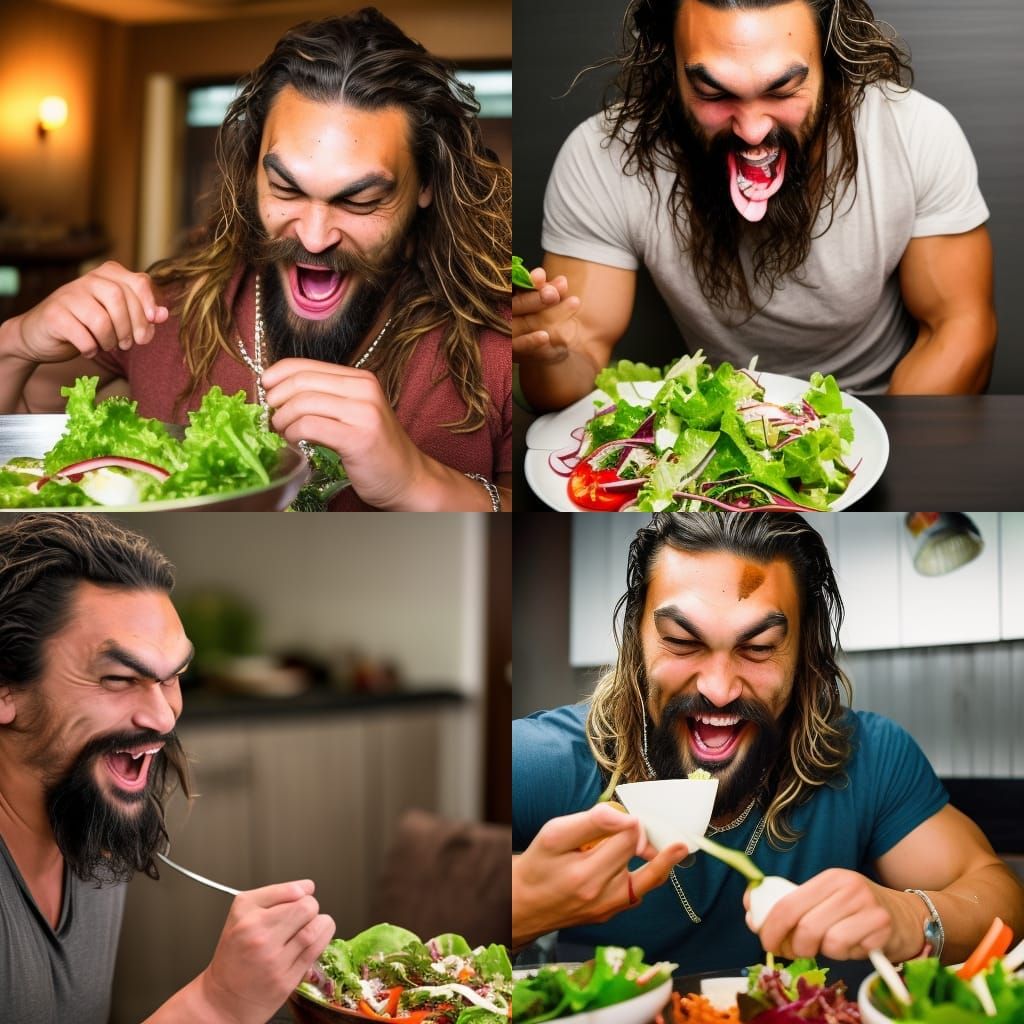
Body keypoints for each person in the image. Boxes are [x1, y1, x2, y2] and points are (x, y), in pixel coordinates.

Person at [0, 8, 511, 511]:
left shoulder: (501, 343)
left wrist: (417, 482)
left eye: (358, 201)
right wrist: (17, 342)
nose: (313, 238)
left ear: (425, 185)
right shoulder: (160, 314)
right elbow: (21, 448)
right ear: (252, 172)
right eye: (286, 188)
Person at [512, 513, 1024, 969]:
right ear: (635, 644)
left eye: (758, 648)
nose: (717, 688)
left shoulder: (872, 755)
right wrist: (521, 906)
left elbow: (999, 895)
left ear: (806, 655)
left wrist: (911, 916)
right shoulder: (544, 760)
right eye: (682, 642)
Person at [513, 0, 996, 411]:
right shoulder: (601, 155)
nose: (751, 130)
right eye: (713, 92)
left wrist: (875, 451)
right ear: (669, 65)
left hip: (883, 410)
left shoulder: (917, 133)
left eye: (783, 89)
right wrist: (551, 354)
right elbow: (578, 358)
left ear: (834, 63)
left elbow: (958, 328)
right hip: (717, 428)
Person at [0, 513, 335, 1023]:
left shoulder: (92, 822)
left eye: (173, 677)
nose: (162, 717)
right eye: (117, 678)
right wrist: (218, 1004)